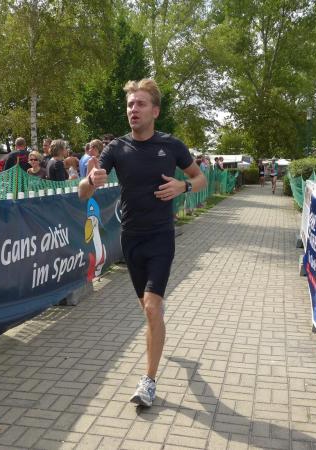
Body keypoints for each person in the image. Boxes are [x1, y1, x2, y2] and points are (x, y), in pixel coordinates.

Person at [79, 79, 206, 408]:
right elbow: (82, 192)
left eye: (140, 104)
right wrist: (90, 180)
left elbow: (200, 178)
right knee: (149, 310)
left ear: (155, 111)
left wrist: (183, 187)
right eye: (130, 105)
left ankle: (148, 381)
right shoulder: (117, 148)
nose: (133, 109)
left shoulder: (171, 145)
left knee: (151, 308)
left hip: (161, 237)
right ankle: (158, 319)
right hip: (131, 238)